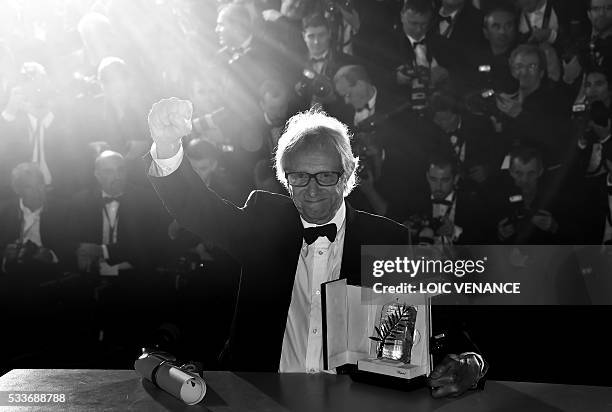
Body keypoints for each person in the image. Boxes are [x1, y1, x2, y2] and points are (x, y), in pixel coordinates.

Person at [146, 97, 486, 397]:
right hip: (258, 395)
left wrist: (473, 362)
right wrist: (166, 144)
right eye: (299, 177)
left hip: (352, 401)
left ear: (348, 174)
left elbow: (434, 321)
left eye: (326, 176)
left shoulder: (386, 239)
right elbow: (198, 210)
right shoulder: (265, 221)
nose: (312, 190)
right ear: (284, 177)